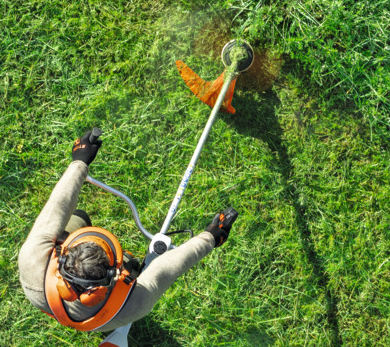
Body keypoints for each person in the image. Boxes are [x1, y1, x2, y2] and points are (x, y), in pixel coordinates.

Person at [17, 125, 237, 334]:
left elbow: (57, 208)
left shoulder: (32, 260)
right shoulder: (133, 305)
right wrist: (210, 238)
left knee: (78, 217)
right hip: (105, 318)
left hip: (47, 297)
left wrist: (80, 162)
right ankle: (130, 266)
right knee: (132, 267)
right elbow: (168, 267)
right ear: (111, 275)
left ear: (63, 257)